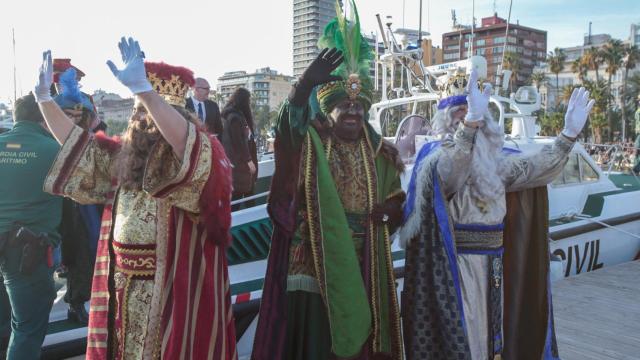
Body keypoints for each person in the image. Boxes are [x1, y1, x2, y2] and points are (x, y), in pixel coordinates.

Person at [35, 37, 236, 359]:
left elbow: (186, 143)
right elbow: (79, 147)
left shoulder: (195, 153)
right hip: (122, 286)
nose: (143, 127)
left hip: (169, 290)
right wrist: (44, 100)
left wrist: (146, 93)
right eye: (138, 119)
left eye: (152, 119)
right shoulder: (124, 159)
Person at [400, 69, 595, 360]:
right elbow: (451, 174)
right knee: (469, 337)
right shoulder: (435, 156)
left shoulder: (496, 159)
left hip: (498, 264)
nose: (465, 116)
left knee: (500, 336)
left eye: (471, 110)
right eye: (459, 111)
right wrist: (470, 125)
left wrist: (568, 135)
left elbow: (535, 169)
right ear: (445, 119)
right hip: (458, 267)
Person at [252, 2, 405, 359]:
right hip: (313, 259)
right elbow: (287, 126)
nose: (352, 112)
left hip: (361, 259)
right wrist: (304, 84)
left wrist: (392, 212)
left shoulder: (380, 153)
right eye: (343, 107)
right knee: (316, 343)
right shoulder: (313, 140)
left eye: (358, 108)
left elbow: (398, 198)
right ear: (330, 111)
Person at [0, 93, 63, 360]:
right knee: (27, 328)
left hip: (12, 244)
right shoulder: (55, 149)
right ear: (45, 118)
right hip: (27, 250)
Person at [53, 67, 103, 325]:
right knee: (73, 253)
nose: (73, 119)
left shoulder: (91, 139)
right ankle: (75, 302)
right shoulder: (54, 141)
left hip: (89, 204)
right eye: (67, 115)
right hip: (65, 205)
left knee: (90, 249)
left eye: (77, 115)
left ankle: (84, 299)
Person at [220, 87, 258, 204]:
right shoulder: (235, 118)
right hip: (241, 168)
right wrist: (249, 161)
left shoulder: (231, 116)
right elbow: (239, 143)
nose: (249, 103)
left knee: (245, 199)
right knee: (239, 200)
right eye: (248, 100)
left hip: (237, 167)